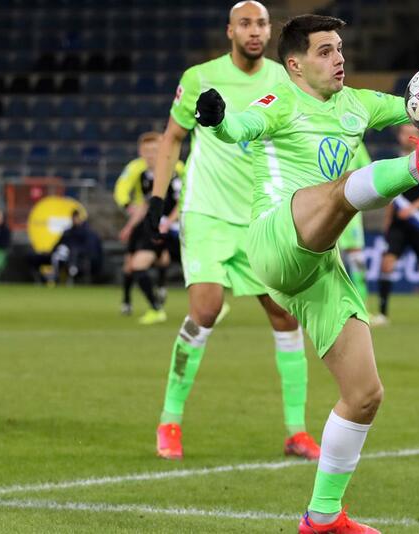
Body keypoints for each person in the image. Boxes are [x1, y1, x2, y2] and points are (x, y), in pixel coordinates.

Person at [147, 13, 419, 532]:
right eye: (325, 51)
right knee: (343, 188)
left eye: (340, 48)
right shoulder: (279, 102)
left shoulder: (360, 105)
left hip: (317, 263)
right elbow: (238, 126)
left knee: (365, 393)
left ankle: (322, 515)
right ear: (294, 66)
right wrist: (214, 118)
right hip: (274, 237)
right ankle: (417, 167)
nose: (339, 57)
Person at [147, 1, 320, 462]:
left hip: (260, 216)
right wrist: (157, 200)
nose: (254, 31)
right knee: (205, 307)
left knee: (286, 317)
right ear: (230, 31)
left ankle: (296, 431)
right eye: (245, 24)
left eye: (261, 23)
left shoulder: (285, 80)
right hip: (207, 212)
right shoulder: (200, 77)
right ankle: (170, 421)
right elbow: (172, 139)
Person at [372, 123, 419, 329]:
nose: (408, 137)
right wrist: (388, 222)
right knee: (387, 264)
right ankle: (383, 313)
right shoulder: (396, 160)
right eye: (404, 133)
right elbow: (392, 194)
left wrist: (413, 208)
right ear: (399, 136)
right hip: (399, 223)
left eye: (412, 133)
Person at [113, 131, 183, 324]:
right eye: (147, 151)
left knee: (149, 263)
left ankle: (158, 301)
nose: (151, 155)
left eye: (155, 150)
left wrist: (169, 222)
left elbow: (184, 197)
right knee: (133, 265)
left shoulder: (175, 169)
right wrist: (130, 219)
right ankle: (131, 300)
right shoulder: (138, 170)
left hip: (169, 227)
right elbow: (131, 196)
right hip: (146, 223)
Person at [337, 145, 371, 300]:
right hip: (324, 208)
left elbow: (368, 170)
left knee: (357, 259)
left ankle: (361, 304)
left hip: (350, 211)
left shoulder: (356, 140)